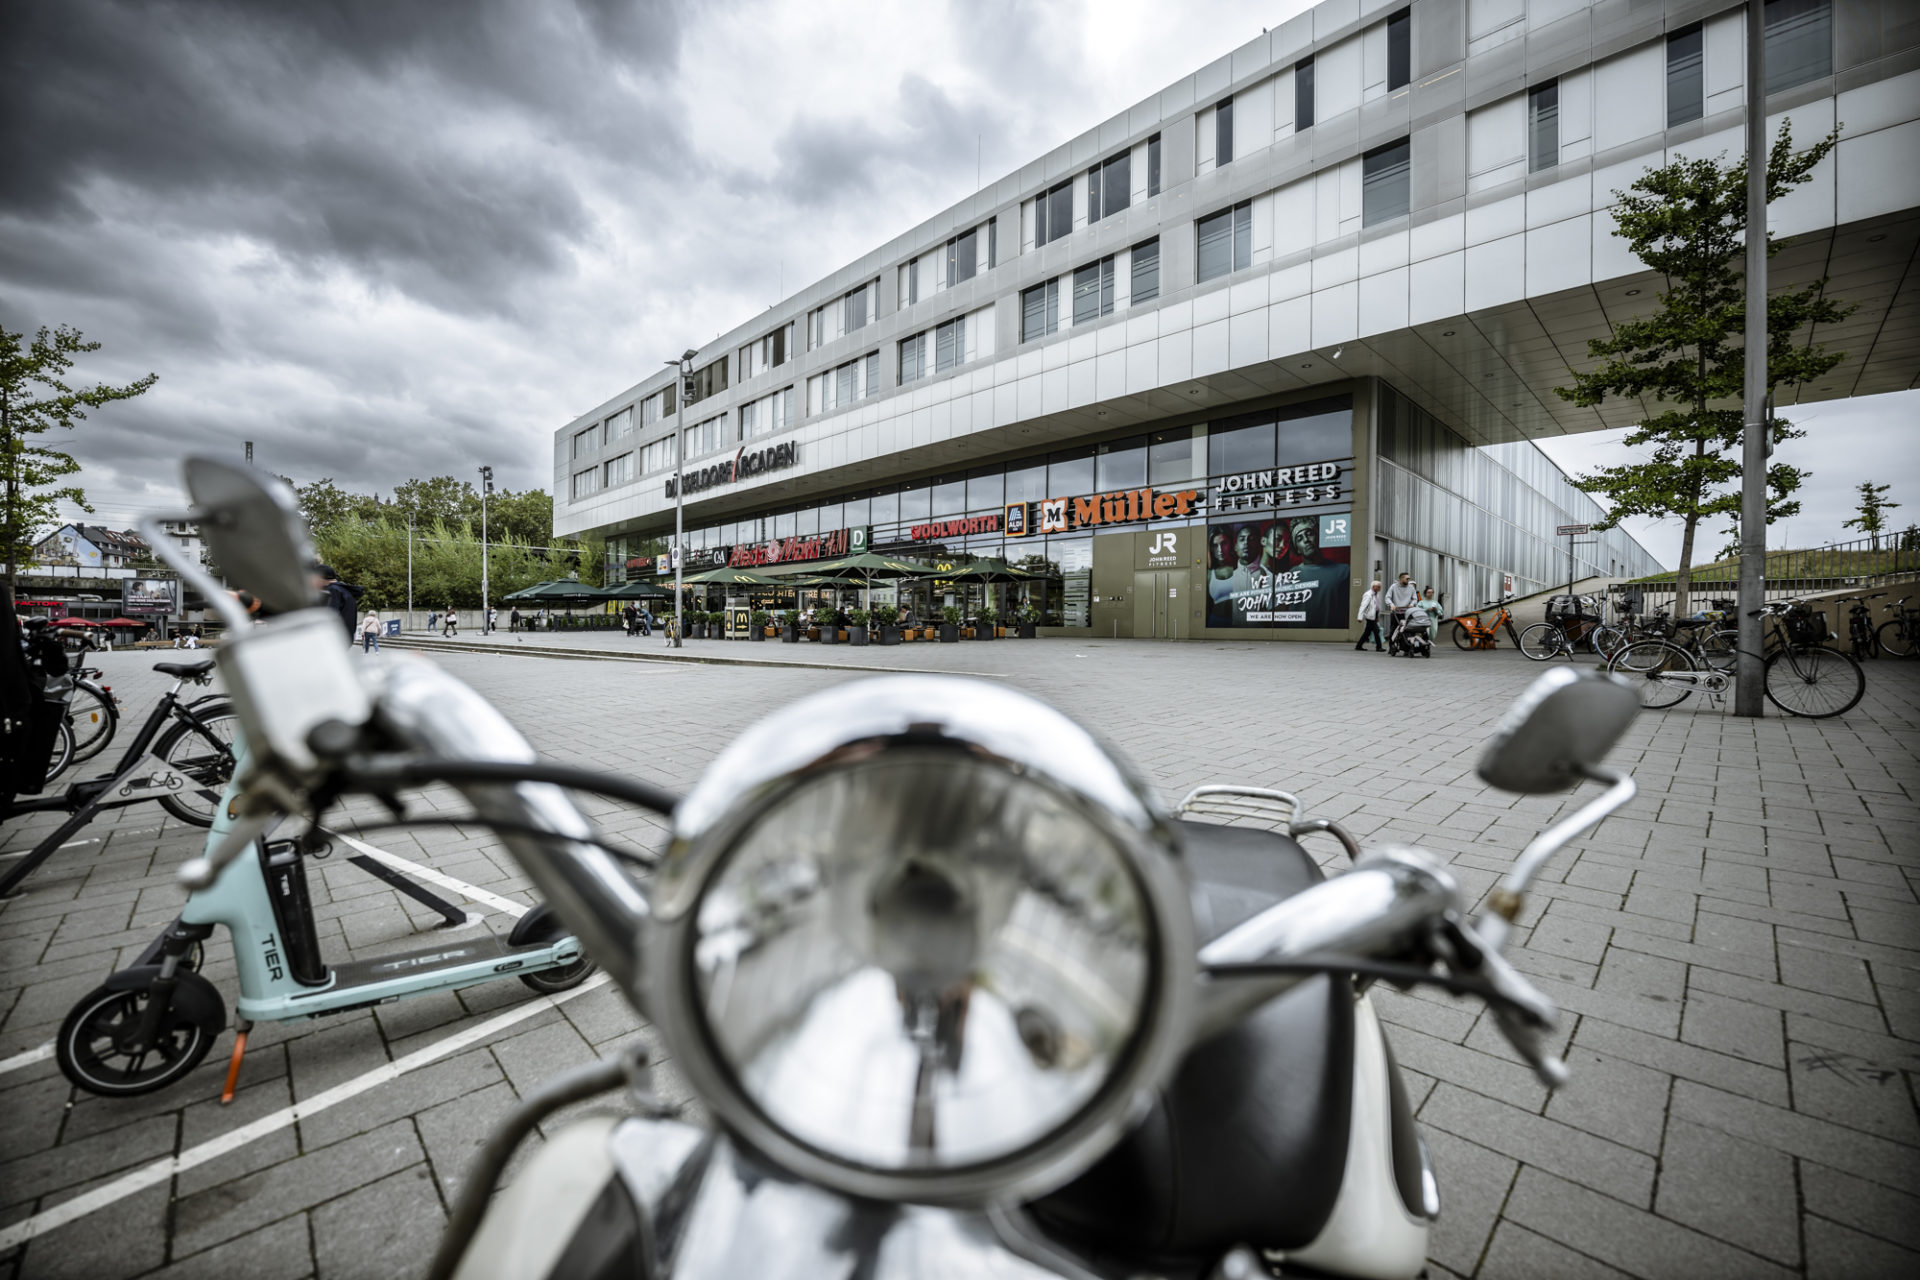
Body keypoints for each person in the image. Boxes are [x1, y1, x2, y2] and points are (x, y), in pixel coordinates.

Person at [1286, 515, 1352, 629]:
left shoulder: (1344, 571)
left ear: (1319, 536)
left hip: (1333, 639)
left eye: (1309, 534)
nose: (1306, 540)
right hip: (1297, 640)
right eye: (1299, 538)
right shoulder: (1290, 575)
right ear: (1297, 548)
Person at [315, 565, 364, 643]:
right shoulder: (345, 592)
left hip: (332, 641)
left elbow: (328, 616)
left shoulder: (332, 591)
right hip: (344, 640)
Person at [1355, 580, 1385, 651]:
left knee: (1367, 632)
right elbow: (1363, 606)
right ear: (1373, 587)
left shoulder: (1376, 594)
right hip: (1370, 616)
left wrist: (1377, 616)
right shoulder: (1368, 594)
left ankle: (1359, 646)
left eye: (1380, 587)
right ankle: (1379, 647)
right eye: (1378, 587)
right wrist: (1360, 617)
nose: (1380, 588)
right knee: (1376, 630)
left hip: (1374, 615)